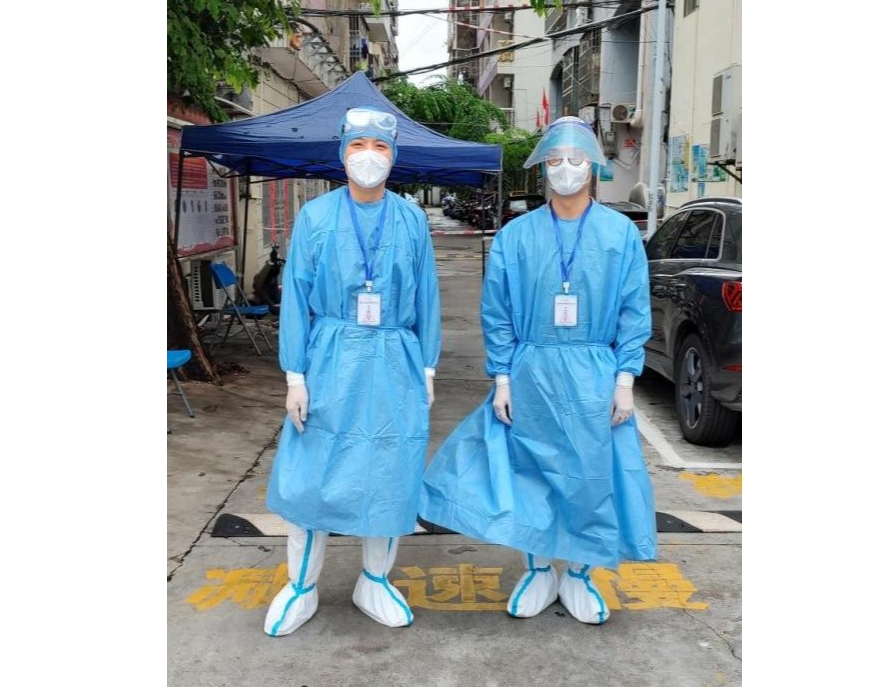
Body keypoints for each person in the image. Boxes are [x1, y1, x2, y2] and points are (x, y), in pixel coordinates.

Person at [418, 116, 656, 625]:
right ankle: (540, 569)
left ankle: (579, 574)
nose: (565, 168)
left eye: (576, 159)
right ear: (542, 168)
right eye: (555, 159)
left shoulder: (619, 235)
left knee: (590, 477)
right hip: (532, 369)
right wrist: (502, 377)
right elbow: (498, 310)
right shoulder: (516, 236)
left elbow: (634, 310)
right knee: (531, 473)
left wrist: (624, 379)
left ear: (593, 166)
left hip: (594, 369)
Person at [263, 107, 441, 636]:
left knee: (389, 470)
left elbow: (427, 296)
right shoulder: (316, 217)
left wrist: (427, 366)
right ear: (342, 155)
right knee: (313, 472)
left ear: (394, 156)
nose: (369, 156)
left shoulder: (410, 219)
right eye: (359, 145)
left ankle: (375, 580)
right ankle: (301, 585)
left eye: (380, 146)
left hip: (395, 357)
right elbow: (296, 298)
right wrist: (295, 376)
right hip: (330, 357)